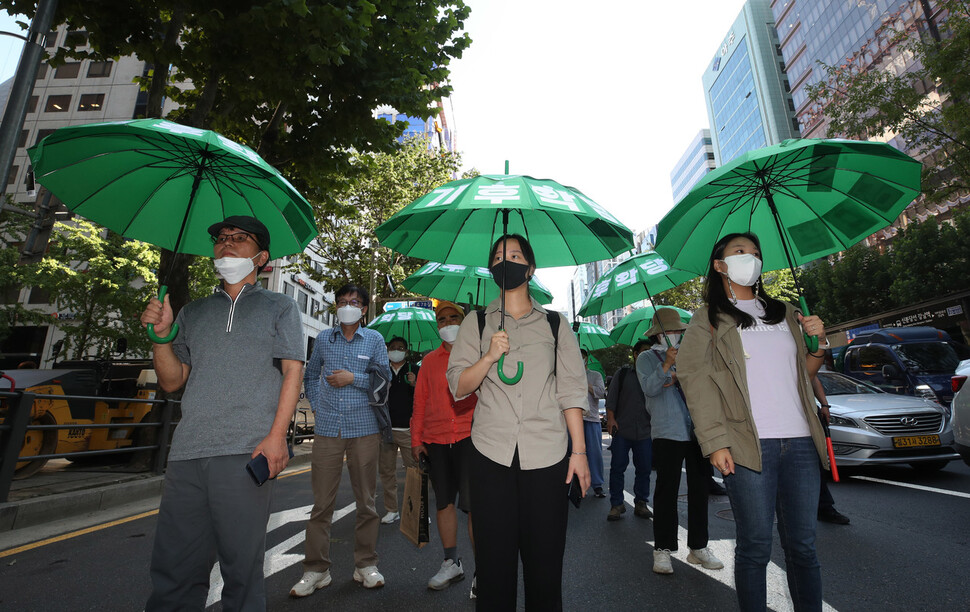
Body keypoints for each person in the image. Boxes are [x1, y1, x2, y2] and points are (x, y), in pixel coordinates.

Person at [140, 216, 304, 611]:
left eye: (239, 239)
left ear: (262, 257)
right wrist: (160, 338)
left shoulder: (280, 307)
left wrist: (277, 436)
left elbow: (293, 371)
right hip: (187, 453)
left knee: (241, 571)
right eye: (220, 239)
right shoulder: (193, 312)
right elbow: (172, 380)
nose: (226, 244)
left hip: (247, 452)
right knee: (174, 570)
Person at [677, 232, 830, 612]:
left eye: (756, 253)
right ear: (720, 265)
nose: (751, 259)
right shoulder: (708, 319)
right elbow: (693, 380)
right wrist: (714, 442)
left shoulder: (786, 311)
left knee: (803, 547)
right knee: (755, 546)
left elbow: (804, 372)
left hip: (799, 442)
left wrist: (820, 342)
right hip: (747, 444)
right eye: (740, 252)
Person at [447, 234, 590, 612]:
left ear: (530, 267)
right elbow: (459, 387)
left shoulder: (556, 325)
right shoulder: (475, 323)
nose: (504, 261)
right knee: (494, 570)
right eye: (497, 256)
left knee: (545, 570)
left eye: (514, 255)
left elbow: (572, 392)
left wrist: (579, 452)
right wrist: (489, 356)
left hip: (548, 456)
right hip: (490, 455)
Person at [290, 284, 390, 596]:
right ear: (336, 307)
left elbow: (384, 381)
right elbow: (309, 375)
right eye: (343, 301)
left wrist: (353, 378)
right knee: (321, 504)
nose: (348, 306)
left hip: (365, 429)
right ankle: (316, 569)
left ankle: (365, 565)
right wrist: (318, 407)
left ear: (364, 309)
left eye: (355, 302)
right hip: (328, 429)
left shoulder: (374, 339)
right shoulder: (323, 339)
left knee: (367, 502)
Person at [636, 308, 723, 575]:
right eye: (671, 331)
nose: (675, 335)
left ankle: (698, 547)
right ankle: (662, 549)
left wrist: (676, 372)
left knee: (700, 490)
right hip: (666, 431)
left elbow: (703, 383)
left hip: (697, 430)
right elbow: (649, 388)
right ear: (659, 334)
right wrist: (666, 367)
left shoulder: (689, 355)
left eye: (677, 331)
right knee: (666, 491)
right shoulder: (646, 358)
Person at [411, 300, 478, 593]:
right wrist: (417, 440)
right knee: (444, 504)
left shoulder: (479, 354)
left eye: (453, 317)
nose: (447, 323)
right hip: (436, 440)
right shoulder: (428, 361)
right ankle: (452, 563)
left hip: (472, 438)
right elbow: (420, 402)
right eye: (441, 319)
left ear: (464, 321)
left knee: (476, 507)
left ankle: (484, 570)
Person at [604, 340, 653, 521]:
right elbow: (612, 398)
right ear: (635, 354)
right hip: (622, 430)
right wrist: (611, 419)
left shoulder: (654, 375)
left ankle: (641, 503)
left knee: (645, 469)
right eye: (643, 352)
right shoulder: (623, 374)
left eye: (650, 351)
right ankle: (616, 504)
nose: (647, 355)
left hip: (646, 431)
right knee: (617, 468)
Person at [378, 336, 419, 525]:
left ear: (407, 351)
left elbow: (426, 395)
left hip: (408, 430)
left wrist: (414, 384)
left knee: (414, 472)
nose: (396, 350)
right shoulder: (382, 370)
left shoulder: (415, 370)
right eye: (393, 347)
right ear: (387, 350)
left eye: (400, 347)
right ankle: (391, 509)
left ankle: (415, 510)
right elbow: (374, 395)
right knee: (387, 472)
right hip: (386, 429)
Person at [812, 376, 850, 525]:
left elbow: (812, 376)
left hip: (806, 415)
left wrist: (824, 405)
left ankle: (824, 508)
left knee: (816, 463)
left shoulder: (800, 355)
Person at [580, 348, 607, 497]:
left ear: (587, 359)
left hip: (591, 419)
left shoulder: (595, 375)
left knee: (594, 453)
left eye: (582, 356)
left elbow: (600, 392)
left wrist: (585, 383)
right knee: (573, 453)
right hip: (574, 420)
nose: (580, 359)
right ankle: (576, 485)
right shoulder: (569, 375)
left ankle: (597, 485)